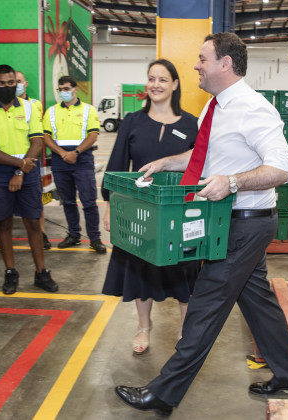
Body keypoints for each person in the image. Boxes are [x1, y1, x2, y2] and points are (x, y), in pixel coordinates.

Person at [114, 33, 288, 416]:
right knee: (259, 305)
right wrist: (167, 162)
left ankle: (163, 394)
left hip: (243, 224)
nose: (196, 66)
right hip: (228, 222)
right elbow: (204, 155)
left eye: (202, 59)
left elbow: (284, 168)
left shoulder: (253, 108)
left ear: (225, 64)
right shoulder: (214, 108)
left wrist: (233, 182)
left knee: (204, 306)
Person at [101, 58, 200, 355]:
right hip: (138, 209)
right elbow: (117, 165)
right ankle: (144, 326)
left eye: (162, 79)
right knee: (139, 267)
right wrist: (110, 206)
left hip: (178, 210)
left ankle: (186, 327)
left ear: (174, 84)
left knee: (185, 269)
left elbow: (199, 168)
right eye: (151, 79)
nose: (155, 85)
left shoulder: (191, 123)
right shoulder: (132, 121)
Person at [0, 64, 58, 295]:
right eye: (2, 84)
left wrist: (20, 172)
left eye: (12, 83)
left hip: (27, 172)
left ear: (17, 84)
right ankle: (11, 272)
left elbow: (37, 142)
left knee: (33, 222)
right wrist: (18, 165)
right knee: (4, 223)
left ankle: (42, 272)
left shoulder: (30, 108)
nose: (8, 87)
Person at [42, 76, 107, 254]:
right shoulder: (52, 112)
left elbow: (93, 135)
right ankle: (74, 235)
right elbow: (46, 137)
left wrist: (76, 153)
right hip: (60, 160)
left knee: (89, 202)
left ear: (75, 89)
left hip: (82, 160)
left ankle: (94, 238)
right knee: (68, 201)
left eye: (67, 88)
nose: (63, 92)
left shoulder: (89, 110)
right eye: (60, 89)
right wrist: (63, 153)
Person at [15, 70, 51, 250]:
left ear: (26, 83)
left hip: (31, 160)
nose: (17, 84)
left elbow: (38, 135)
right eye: (14, 81)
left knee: (36, 201)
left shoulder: (35, 105)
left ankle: (40, 234)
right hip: (11, 160)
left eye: (19, 81)